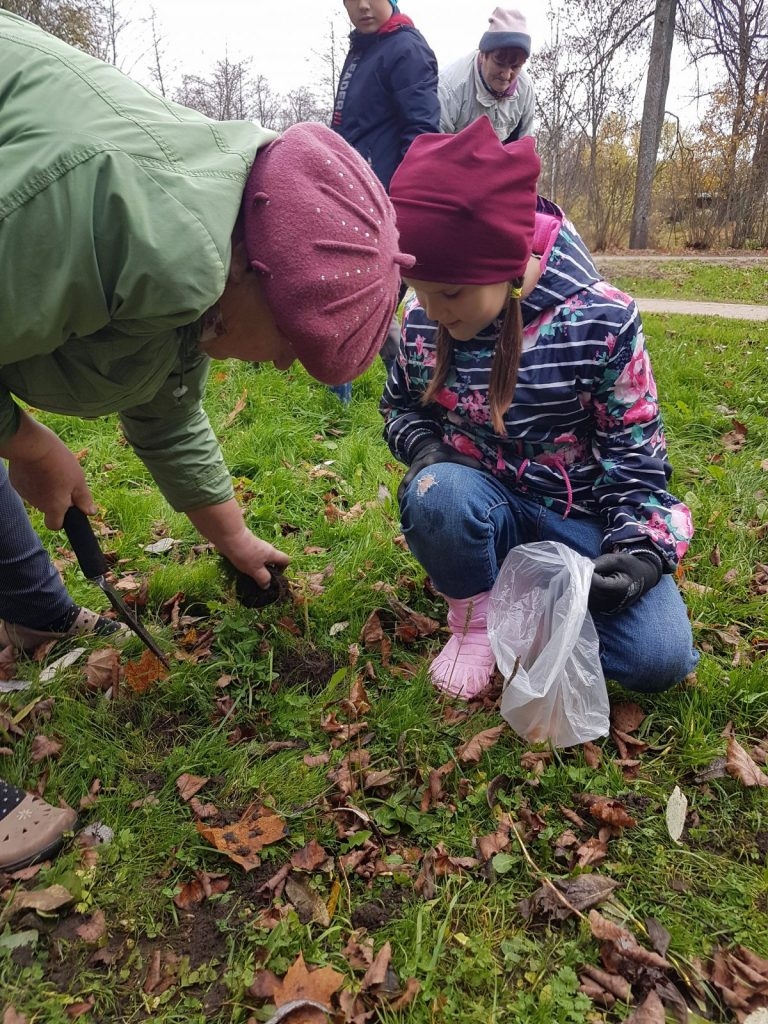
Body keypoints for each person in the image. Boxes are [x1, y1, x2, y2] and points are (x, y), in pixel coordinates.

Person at [0, 11, 411, 607]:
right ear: (255, 269)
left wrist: (234, 537)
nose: (279, 367)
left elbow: (162, 397)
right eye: (291, 344)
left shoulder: (213, 255)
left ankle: (32, 614)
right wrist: (28, 445)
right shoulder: (142, 228)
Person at [382, 118, 699, 699]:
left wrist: (639, 556)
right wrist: (428, 452)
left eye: (449, 292)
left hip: (584, 522)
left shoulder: (601, 324)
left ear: (506, 268)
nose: (431, 308)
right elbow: (402, 410)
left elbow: (636, 459)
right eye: (419, 288)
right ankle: (476, 619)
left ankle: (535, 599)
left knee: (660, 658)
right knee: (439, 494)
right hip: (485, 503)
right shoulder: (422, 321)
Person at [328, 0, 440, 400]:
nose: (361, 5)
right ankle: (357, 389)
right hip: (355, 192)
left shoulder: (405, 49)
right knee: (354, 294)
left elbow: (423, 133)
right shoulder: (364, 46)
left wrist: (403, 200)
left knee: (369, 297)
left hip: (386, 200)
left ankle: (402, 383)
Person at [438, 7, 536, 143]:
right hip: (454, 155)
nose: (506, 75)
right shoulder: (450, 87)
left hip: (501, 154)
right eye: (500, 63)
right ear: (483, 54)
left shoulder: (525, 88)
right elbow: (436, 151)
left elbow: (525, 145)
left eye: (515, 66)